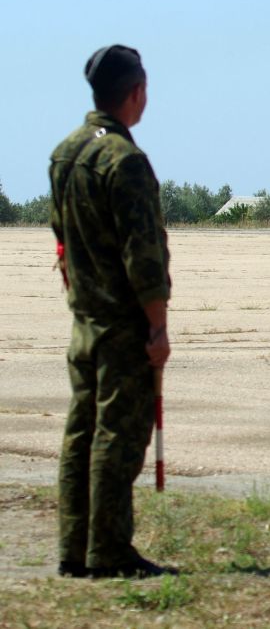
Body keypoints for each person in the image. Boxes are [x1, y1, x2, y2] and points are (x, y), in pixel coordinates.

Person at [49, 45, 174, 579]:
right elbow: (143, 255)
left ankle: (73, 548)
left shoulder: (67, 152)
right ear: (136, 93)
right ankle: (109, 551)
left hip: (84, 319)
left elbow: (62, 240)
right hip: (122, 325)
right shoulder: (122, 159)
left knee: (82, 431)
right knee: (117, 437)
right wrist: (158, 326)